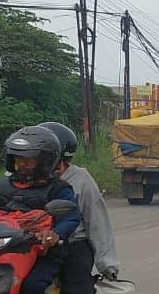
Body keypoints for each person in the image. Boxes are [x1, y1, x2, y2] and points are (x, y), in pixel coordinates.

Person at [0, 126, 81, 294]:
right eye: (18, 158)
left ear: (45, 161)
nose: (22, 164)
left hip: (41, 251)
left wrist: (55, 233)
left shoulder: (58, 188)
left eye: (29, 160)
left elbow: (70, 216)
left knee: (31, 286)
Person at [40, 122, 120, 293]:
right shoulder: (25, 179)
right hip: (35, 243)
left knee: (77, 285)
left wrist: (107, 264)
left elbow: (97, 222)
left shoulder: (81, 180)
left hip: (72, 244)